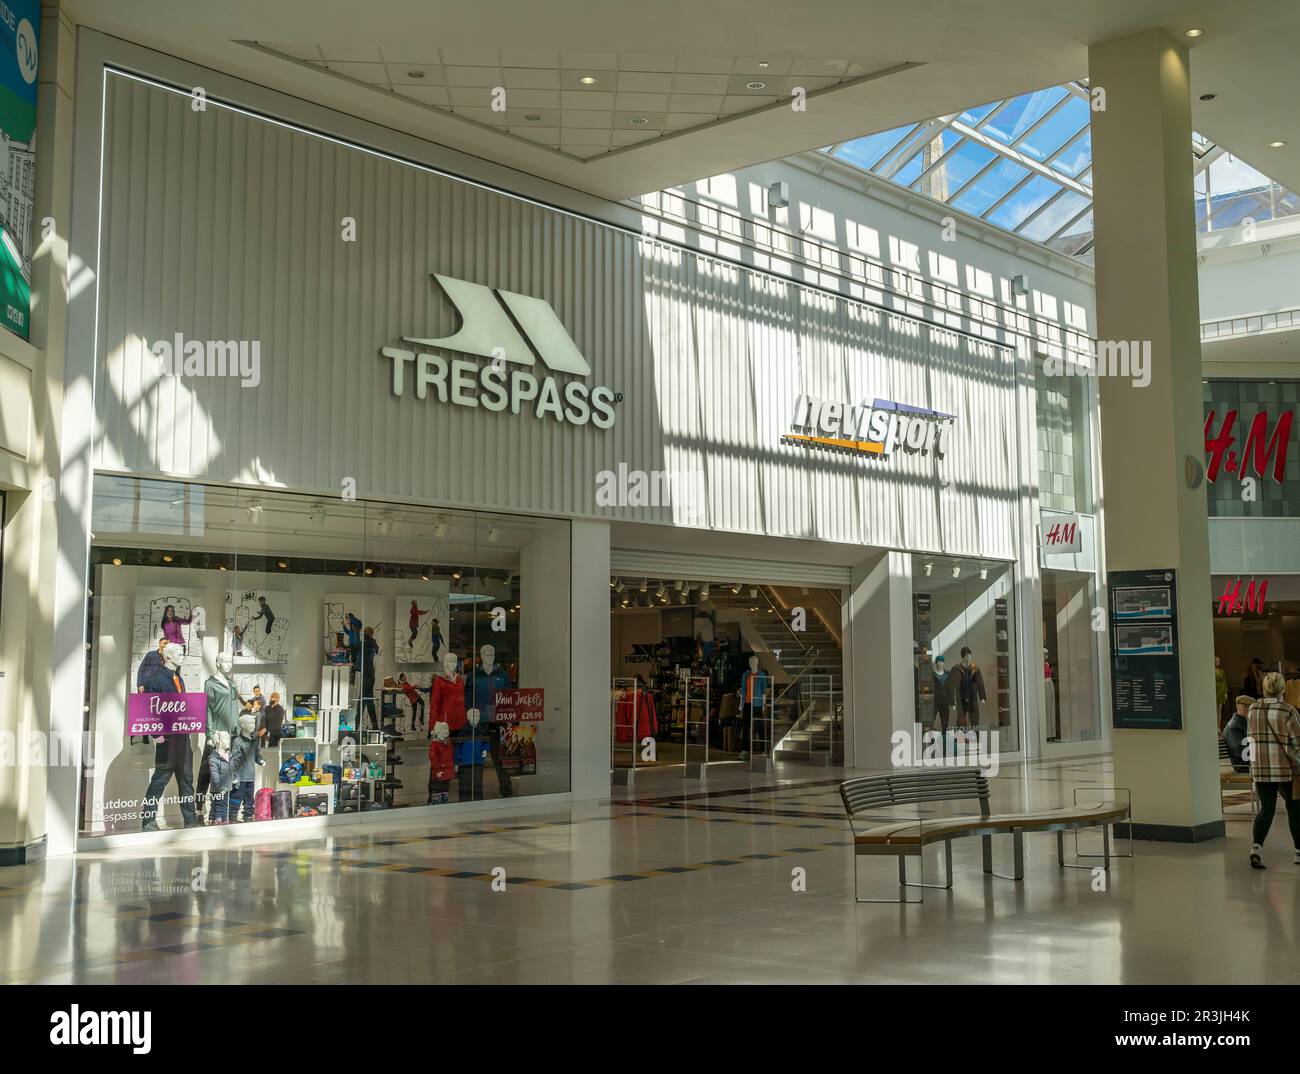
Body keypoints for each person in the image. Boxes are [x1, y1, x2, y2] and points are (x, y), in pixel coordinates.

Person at [140, 643, 200, 831]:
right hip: (167, 739)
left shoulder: (178, 679)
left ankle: (190, 820)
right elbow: (148, 708)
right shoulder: (156, 680)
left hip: (182, 738)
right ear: (169, 657)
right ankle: (148, 820)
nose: (182, 656)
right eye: (180, 654)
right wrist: (156, 734)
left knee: (187, 780)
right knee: (160, 780)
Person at [1245, 671, 1300, 869]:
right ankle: (1298, 852)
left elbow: (1250, 737)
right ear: (1282, 689)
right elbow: (1298, 742)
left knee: (1266, 809)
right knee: (1294, 809)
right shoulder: (1288, 711)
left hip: (1260, 768)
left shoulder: (1253, 709)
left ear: (1264, 688)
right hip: (1285, 770)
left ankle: (1256, 848)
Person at [229, 713, 259, 822]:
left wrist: (260, 760)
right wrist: (235, 775)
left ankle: (248, 816)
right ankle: (232, 817)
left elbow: (256, 754)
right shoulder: (238, 741)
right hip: (240, 777)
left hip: (250, 776)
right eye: (250, 723)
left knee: (249, 798)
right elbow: (234, 759)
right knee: (236, 797)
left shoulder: (254, 740)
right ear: (243, 725)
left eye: (253, 723)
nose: (253, 725)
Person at [1223, 695, 1252, 773]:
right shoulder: (1234, 726)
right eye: (1245, 707)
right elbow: (1241, 752)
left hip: (1249, 763)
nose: (1248, 710)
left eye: (1250, 707)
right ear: (1237, 707)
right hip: (1243, 765)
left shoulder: (1244, 723)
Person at [1214, 656, 1229, 730]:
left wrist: (1225, 692)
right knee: (1214, 710)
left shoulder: (1222, 671)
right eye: (1217, 661)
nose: (1218, 662)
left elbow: (1224, 681)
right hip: (1214, 690)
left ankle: (1218, 727)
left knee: (1219, 710)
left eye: (1219, 661)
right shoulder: (1211, 670)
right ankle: (1214, 726)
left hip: (1221, 691)